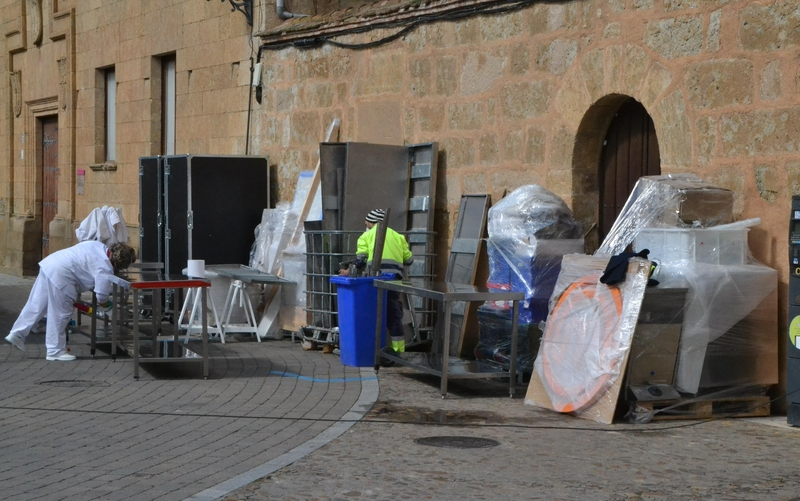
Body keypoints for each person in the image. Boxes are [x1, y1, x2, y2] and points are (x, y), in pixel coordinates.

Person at [5, 241, 137, 361]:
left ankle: (17, 334)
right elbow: (101, 297)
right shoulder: (104, 267)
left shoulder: (97, 245)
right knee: (61, 314)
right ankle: (55, 350)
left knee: (36, 304)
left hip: (50, 264)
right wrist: (109, 307)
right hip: (63, 276)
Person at [339, 209, 413, 354]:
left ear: (372, 223)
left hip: (375, 280)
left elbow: (360, 261)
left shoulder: (366, 236)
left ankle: (372, 349)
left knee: (373, 313)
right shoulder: (398, 237)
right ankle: (399, 351)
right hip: (394, 281)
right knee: (393, 316)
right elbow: (409, 260)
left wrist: (348, 271)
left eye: (366, 223)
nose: (366, 226)